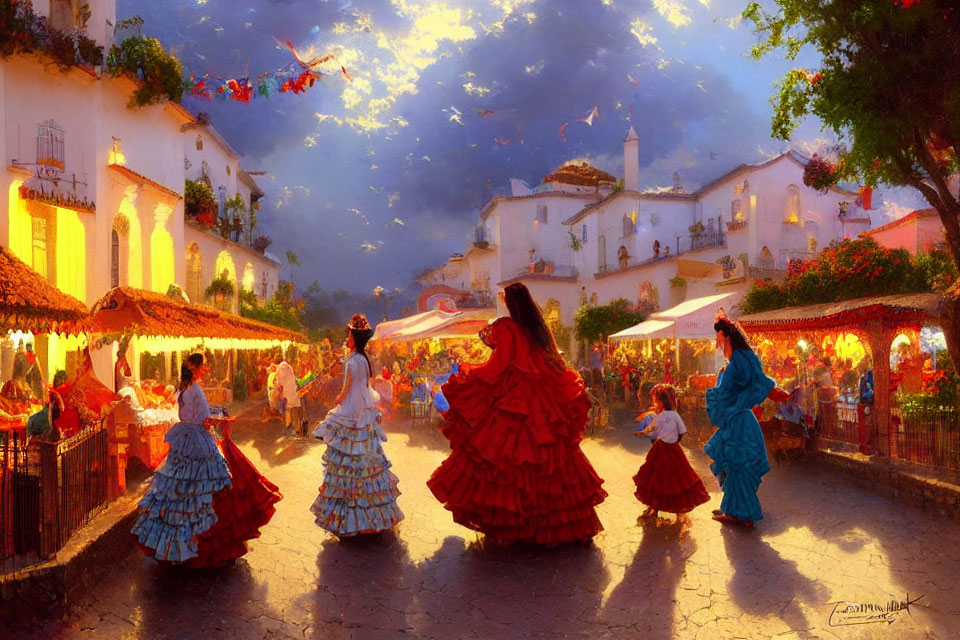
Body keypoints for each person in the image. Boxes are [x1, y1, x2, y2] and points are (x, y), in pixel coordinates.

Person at [427, 283, 607, 545]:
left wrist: (470, 371)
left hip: (515, 401)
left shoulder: (507, 327)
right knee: (549, 460)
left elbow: (499, 363)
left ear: (508, 302)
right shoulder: (536, 329)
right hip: (540, 401)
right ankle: (553, 525)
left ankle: (516, 526)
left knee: (507, 461)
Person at [132, 353, 232, 562]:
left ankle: (173, 544)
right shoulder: (195, 388)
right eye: (203, 365)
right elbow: (204, 415)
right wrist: (220, 419)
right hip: (195, 437)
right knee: (198, 485)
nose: (206, 369)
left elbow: (191, 414)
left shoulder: (185, 387)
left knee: (179, 485)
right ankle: (192, 544)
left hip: (185, 434)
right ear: (195, 367)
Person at [311, 314, 403, 537]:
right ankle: (372, 518)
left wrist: (340, 398)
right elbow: (365, 386)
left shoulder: (353, 360)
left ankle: (351, 521)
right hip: (363, 411)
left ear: (355, 338)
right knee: (365, 461)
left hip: (352, 409)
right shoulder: (363, 359)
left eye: (349, 335)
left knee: (347, 461)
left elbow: (348, 387)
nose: (347, 338)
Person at [705, 310, 788, 529]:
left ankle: (740, 514)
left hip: (739, 421)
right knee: (734, 466)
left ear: (726, 337)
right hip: (739, 419)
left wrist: (711, 393)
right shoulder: (735, 362)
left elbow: (750, 382)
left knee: (737, 465)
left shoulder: (737, 362)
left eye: (718, 336)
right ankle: (732, 509)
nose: (716, 341)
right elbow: (755, 380)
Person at [633, 384, 709, 525]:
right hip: (674, 450)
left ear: (662, 402)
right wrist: (675, 440)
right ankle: (679, 512)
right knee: (677, 479)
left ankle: (654, 508)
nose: (654, 404)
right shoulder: (674, 415)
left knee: (656, 478)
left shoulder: (660, 416)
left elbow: (652, 430)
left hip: (660, 449)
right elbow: (682, 430)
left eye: (656, 401)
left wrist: (643, 433)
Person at [275, 355, 302, 432]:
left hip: (287, 391)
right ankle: (297, 428)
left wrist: (278, 388)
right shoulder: (288, 366)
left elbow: (279, 381)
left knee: (289, 408)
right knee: (295, 409)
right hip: (293, 390)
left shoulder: (280, 367)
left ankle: (291, 426)